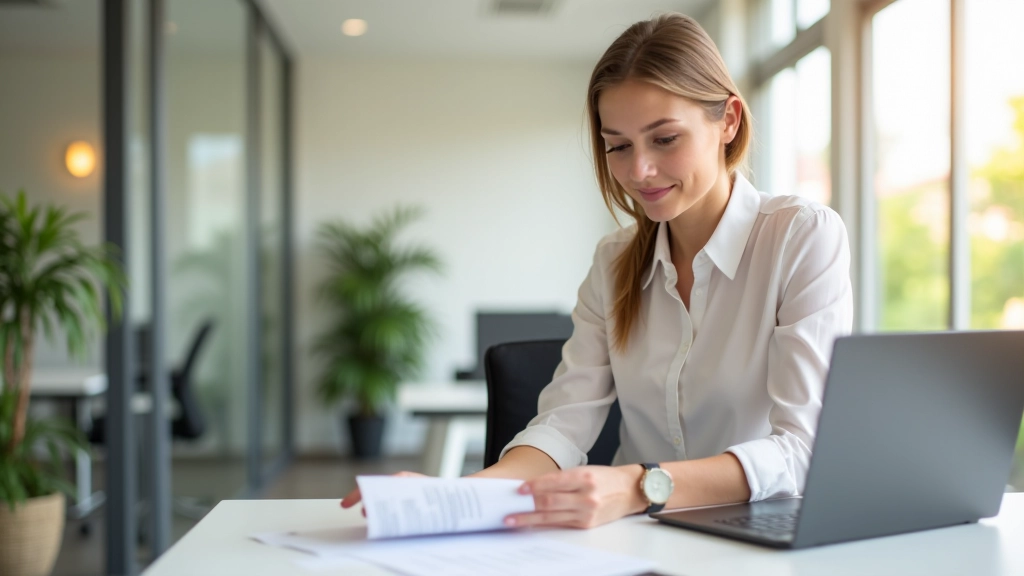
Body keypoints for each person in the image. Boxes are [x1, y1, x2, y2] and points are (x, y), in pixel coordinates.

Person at [342, 12, 852, 530]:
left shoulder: (800, 237)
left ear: (729, 120)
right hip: (643, 537)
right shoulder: (614, 261)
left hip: (764, 535)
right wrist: (451, 496)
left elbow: (802, 448)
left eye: (665, 139)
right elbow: (562, 427)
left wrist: (641, 485)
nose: (639, 171)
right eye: (618, 146)